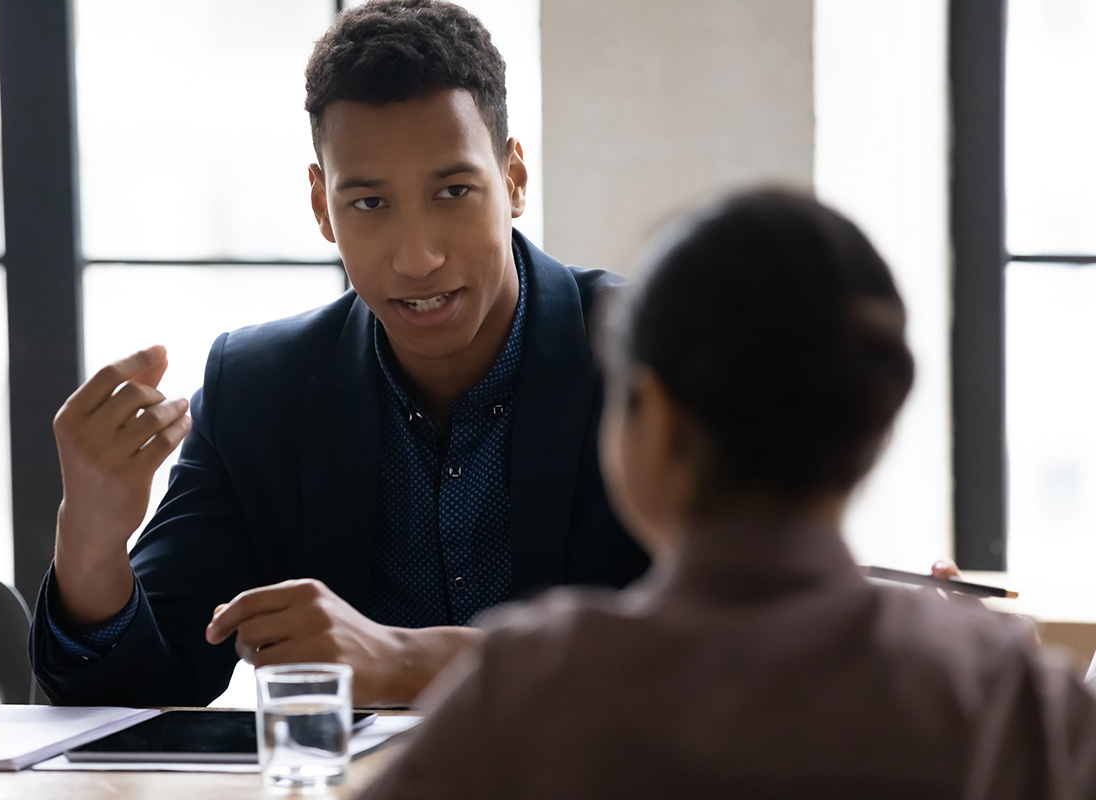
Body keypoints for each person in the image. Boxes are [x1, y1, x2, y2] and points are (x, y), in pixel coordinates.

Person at [358, 189, 1096, 799]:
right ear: (878, 420)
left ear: (661, 419)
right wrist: (985, 668)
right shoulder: (1010, 701)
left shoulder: (530, 692)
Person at [28, 0, 649, 708]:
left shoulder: (655, 358)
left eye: (453, 191)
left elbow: (739, 656)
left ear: (513, 180)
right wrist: (91, 539)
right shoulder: (258, 392)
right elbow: (138, 698)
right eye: (370, 205)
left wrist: (415, 662)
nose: (419, 259)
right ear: (322, 206)